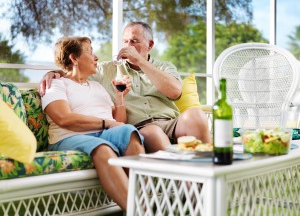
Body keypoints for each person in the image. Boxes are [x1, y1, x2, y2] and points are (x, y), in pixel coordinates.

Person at [39, 21, 211, 153]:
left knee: (196, 115)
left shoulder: (164, 67)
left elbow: (175, 91)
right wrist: (54, 73)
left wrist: (141, 62)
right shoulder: (108, 69)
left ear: (149, 45)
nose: (128, 46)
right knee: (155, 133)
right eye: (125, 41)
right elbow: (77, 69)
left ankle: (206, 175)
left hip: (171, 122)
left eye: (134, 41)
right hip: (143, 128)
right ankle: (180, 190)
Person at [41, 36, 145, 211]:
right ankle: (139, 212)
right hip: (70, 136)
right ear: (74, 58)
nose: (96, 57)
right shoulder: (56, 84)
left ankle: (142, 202)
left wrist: (120, 98)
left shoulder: (97, 86)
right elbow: (63, 118)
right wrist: (105, 123)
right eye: (90, 52)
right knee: (103, 148)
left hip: (102, 132)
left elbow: (119, 123)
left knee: (130, 133)